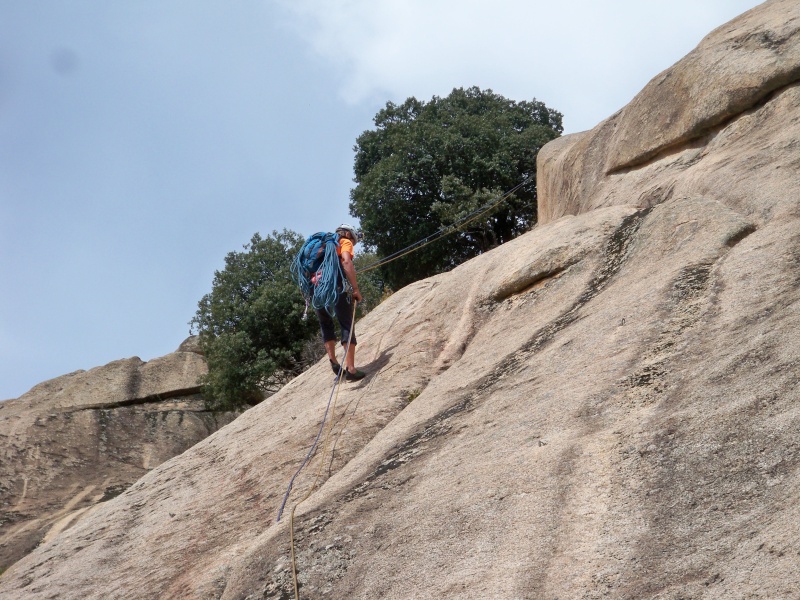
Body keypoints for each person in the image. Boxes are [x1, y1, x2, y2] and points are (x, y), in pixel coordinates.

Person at [317, 224, 366, 381]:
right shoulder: (343, 241)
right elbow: (346, 262)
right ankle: (351, 369)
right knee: (346, 323)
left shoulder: (321, 245)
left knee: (326, 324)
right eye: (352, 239)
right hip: (334, 286)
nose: (352, 243)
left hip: (315, 289)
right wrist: (355, 289)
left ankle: (334, 363)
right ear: (346, 233)